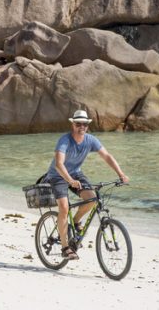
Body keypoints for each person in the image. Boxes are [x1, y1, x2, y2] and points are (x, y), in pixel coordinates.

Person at [43, 109, 129, 261]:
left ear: (87, 126)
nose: (81, 127)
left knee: (92, 198)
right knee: (64, 207)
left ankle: (75, 221)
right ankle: (65, 248)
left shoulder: (90, 140)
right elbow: (58, 164)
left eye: (84, 124)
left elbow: (107, 156)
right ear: (73, 125)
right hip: (58, 175)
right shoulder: (64, 140)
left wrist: (120, 174)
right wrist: (69, 180)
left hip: (76, 174)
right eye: (78, 124)